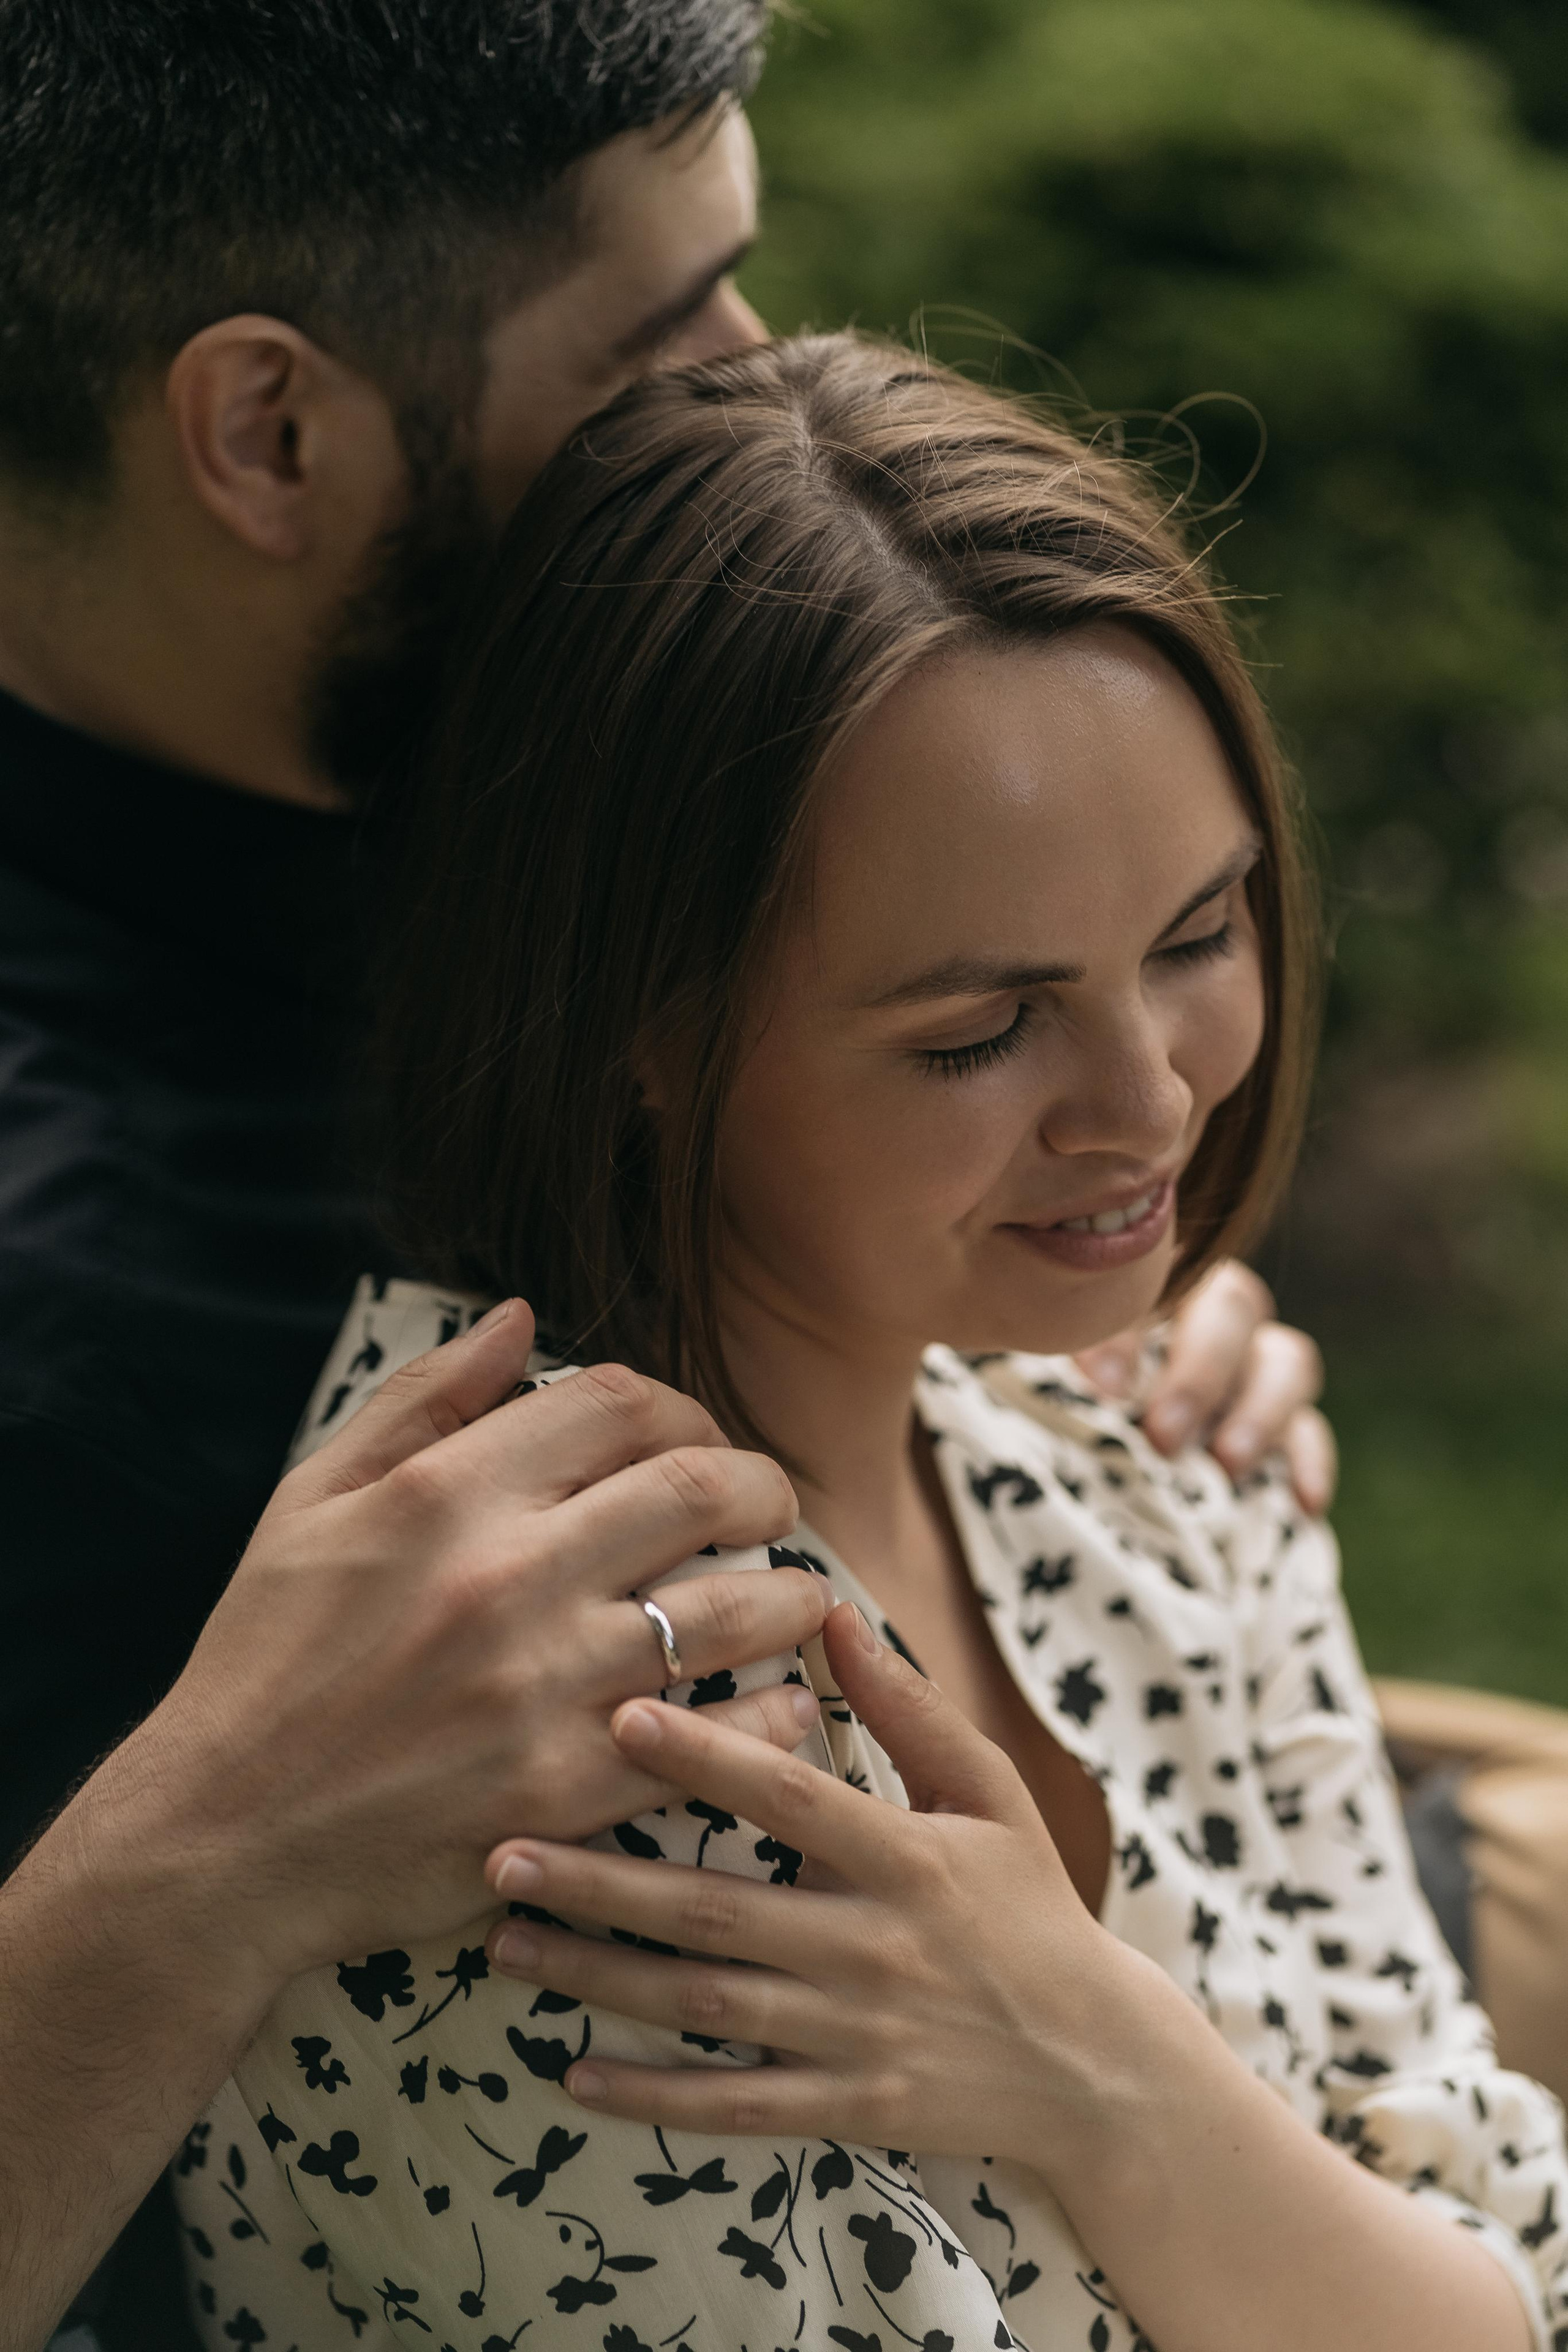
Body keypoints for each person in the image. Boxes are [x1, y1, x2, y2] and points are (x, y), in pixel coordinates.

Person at [0, 9, 1325, 2346]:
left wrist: (1068, 1261)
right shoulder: (88, 1299)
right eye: (655, 329)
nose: (773, 363)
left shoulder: (544, 737)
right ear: (270, 432)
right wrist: (200, 1854)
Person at [181, 335, 1567, 2350]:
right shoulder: (527, 1715)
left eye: (1197, 934)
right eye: (977, 1033)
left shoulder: (1144, 1428)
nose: (1151, 1108)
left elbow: (1506, 2270)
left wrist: (1104, 2066)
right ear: (642, 1028)